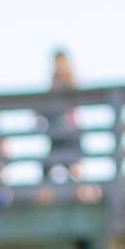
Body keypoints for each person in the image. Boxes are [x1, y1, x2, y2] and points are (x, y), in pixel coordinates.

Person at [38, 48, 92, 199]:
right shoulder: (55, 82)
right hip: (57, 137)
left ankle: (83, 195)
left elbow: (73, 112)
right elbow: (43, 111)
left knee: (74, 168)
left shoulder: (70, 82)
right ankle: (44, 197)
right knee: (47, 167)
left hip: (68, 136)